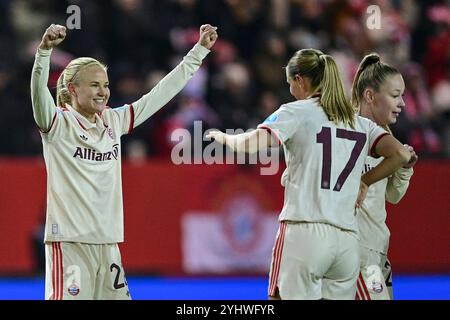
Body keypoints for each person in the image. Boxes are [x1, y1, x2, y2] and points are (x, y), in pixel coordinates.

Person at [31, 23, 218, 300]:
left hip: (109, 243)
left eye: (105, 85)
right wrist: (44, 52)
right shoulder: (58, 123)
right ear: (72, 89)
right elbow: (37, 93)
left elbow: (160, 94)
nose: (103, 92)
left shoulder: (113, 120)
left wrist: (199, 51)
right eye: (94, 85)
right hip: (69, 243)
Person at [206, 48, 411, 299]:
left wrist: (225, 138)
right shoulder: (361, 125)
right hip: (347, 244)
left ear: (300, 80)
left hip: (306, 232)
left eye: (290, 82)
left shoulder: (297, 111)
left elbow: (251, 144)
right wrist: (365, 181)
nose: (290, 89)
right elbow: (400, 155)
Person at [351, 54, 418, 300]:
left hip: (377, 251)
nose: (402, 103)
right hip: (358, 251)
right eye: (395, 95)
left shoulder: (386, 138)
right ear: (369, 96)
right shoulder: (347, 132)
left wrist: (404, 169)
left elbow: (393, 196)